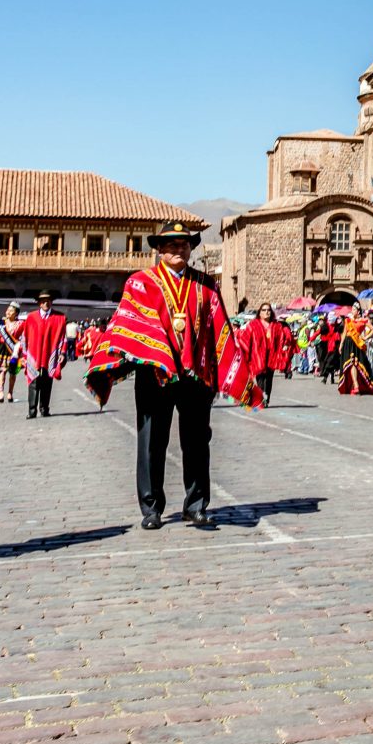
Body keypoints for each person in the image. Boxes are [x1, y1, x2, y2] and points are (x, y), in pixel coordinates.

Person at [86, 222, 255, 531]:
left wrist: (220, 374)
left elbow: (219, 330)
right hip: (154, 375)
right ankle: (151, 508)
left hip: (195, 377)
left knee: (196, 442)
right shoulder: (141, 283)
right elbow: (131, 324)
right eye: (172, 244)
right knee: (151, 441)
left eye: (184, 244)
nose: (179, 249)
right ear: (160, 249)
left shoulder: (205, 284)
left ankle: (195, 505)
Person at [16, 290, 67, 419]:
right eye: (43, 301)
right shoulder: (31, 317)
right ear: (39, 303)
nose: (46, 303)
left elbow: (63, 337)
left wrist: (62, 352)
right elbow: (25, 337)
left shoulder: (59, 318)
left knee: (47, 382)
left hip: (50, 354)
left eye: (48, 300)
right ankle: (32, 410)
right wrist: (24, 354)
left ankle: (44, 409)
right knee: (33, 382)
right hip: (34, 354)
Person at [241, 303, 293, 406]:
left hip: (271, 355)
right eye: (264, 310)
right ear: (259, 313)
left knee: (269, 378)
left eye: (268, 310)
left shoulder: (276, 325)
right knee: (260, 377)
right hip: (258, 356)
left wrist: (285, 346)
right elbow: (245, 339)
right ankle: (261, 398)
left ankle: (266, 397)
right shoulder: (253, 324)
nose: (266, 312)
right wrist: (245, 352)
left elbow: (282, 338)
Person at [335, 309, 373, 394]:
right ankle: (355, 384)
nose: (352, 311)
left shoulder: (363, 321)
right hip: (348, 343)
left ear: (358, 312)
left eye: (354, 310)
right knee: (351, 364)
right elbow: (344, 333)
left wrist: (365, 338)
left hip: (357, 344)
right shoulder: (348, 320)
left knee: (356, 363)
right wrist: (341, 344)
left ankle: (357, 385)